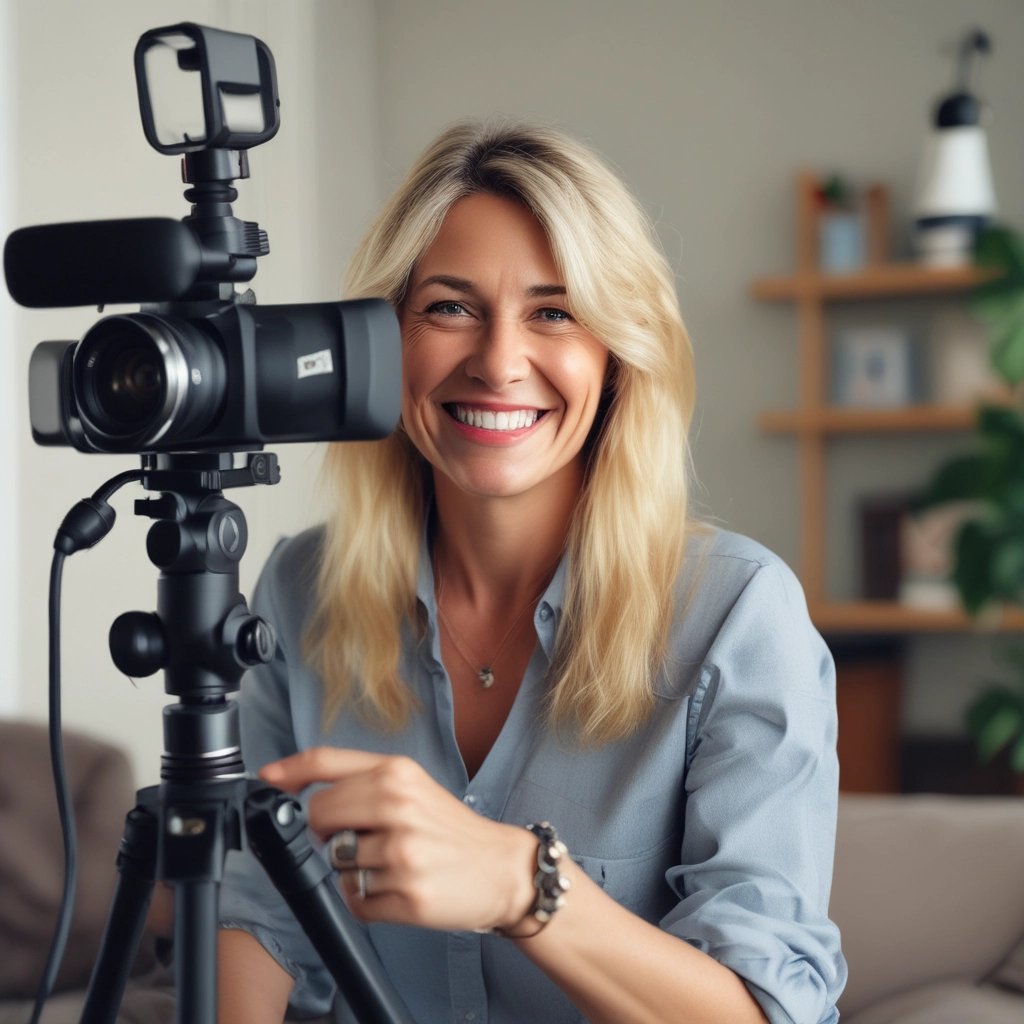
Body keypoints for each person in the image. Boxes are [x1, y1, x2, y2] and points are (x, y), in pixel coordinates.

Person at [218, 120, 847, 1024]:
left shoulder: (738, 616)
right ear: (386, 338)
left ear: (616, 354)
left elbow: (766, 1009)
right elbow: (256, 917)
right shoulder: (297, 592)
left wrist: (524, 885)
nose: (499, 361)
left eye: (554, 312)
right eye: (449, 306)